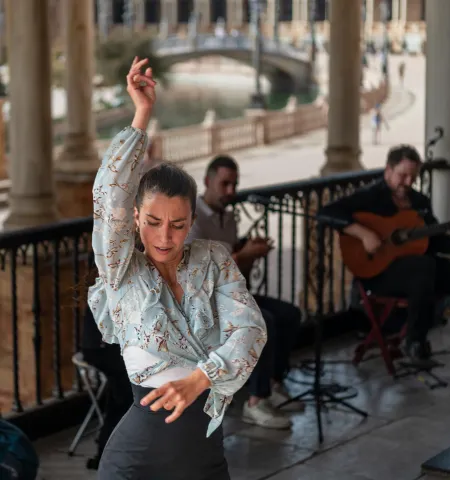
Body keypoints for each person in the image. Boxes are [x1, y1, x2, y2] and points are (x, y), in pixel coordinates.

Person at [88, 57, 267, 480]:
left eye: (178, 224)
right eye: (152, 222)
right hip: (139, 453)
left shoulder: (213, 259)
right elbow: (107, 195)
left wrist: (198, 380)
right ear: (134, 219)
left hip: (204, 448)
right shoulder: (121, 268)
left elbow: (251, 331)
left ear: (192, 221)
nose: (165, 236)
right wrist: (142, 115)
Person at [320, 144, 450, 375]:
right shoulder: (370, 196)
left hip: (420, 271)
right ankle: (415, 341)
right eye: (402, 175)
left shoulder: (419, 202)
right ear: (388, 171)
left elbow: (437, 242)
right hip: (379, 272)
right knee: (423, 266)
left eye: (412, 177)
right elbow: (325, 213)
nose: (407, 182)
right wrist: (364, 234)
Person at [186, 154, 304, 430]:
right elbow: (200, 273)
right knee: (263, 321)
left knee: (290, 314)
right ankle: (255, 401)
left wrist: (250, 253)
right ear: (207, 182)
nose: (231, 191)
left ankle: (273, 383)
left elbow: (237, 275)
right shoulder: (193, 219)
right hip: (204, 304)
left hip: (230, 295)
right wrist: (241, 254)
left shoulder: (228, 218)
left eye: (234, 185)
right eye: (225, 184)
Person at [81, 255, 133, 470]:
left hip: (107, 348)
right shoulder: (110, 283)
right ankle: (109, 452)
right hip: (103, 349)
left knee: (123, 395)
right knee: (128, 396)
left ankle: (109, 449)